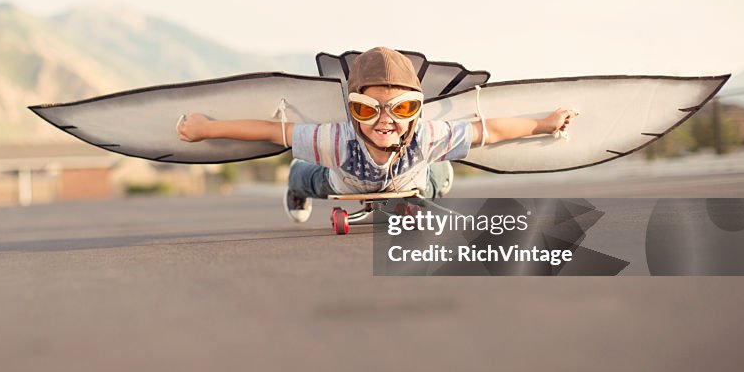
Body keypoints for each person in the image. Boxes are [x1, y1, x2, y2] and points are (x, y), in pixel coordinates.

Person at [177, 46, 577, 223]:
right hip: (344, 182)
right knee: (310, 176)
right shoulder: (334, 140)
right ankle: (295, 184)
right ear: (352, 111)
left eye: (403, 109)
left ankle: (419, 187)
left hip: (408, 182)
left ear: (417, 109)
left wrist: (543, 125)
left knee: (442, 177)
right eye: (368, 110)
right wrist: (207, 129)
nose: (386, 121)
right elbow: (271, 132)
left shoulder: (425, 135)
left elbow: (487, 131)